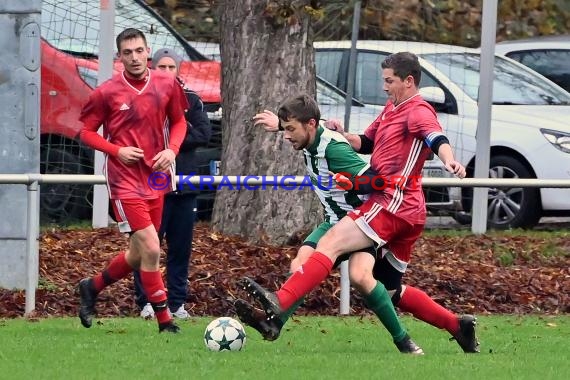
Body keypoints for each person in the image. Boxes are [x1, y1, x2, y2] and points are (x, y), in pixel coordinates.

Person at [241, 52, 480, 353]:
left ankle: (280, 303)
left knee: (331, 243)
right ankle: (457, 326)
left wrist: (450, 161)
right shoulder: (392, 108)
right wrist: (342, 135)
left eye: (388, 81)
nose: (384, 87)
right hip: (408, 208)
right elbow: (365, 142)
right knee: (388, 289)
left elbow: (436, 138)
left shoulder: (418, 111)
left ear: (408, 81)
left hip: (393, 200)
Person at [236, 94, 424, 354]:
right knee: (299, 265)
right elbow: (307, 124)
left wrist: (353, 184)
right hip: (332, 220)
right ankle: (275, 322)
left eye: (290, 129)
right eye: (286, 129)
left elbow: (372, 179)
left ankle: (403, 340)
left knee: (361, 277)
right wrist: (279, 124)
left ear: (310, 125)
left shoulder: (333, 149)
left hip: (358, 223)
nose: (286, 136)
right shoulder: (310, 135)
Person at [77, 28, 189, 333]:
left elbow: (179, 122)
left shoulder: (167, 84)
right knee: (152, 248)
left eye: (139, 51)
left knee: (139, 253)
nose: (135, 57)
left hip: (155, 178)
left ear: (147, 51)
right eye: (128, 53)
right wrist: (117, 150)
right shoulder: (106, 92)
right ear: (119, 57)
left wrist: (171, 149)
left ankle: (92, 287)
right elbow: (85, 132)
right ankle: (165, 322)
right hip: (124, 181)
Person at [133, 48, 212, 320]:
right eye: (161, 67)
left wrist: (174, 136)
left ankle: (177, 303)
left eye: (171, 67)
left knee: (180, 249)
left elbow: (203, 133)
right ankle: (146, 302)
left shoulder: (191, 99)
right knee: (149, 245)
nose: (166, 72)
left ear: (178, 71)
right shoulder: (142, 97)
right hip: (152, 187)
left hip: (184, 187)